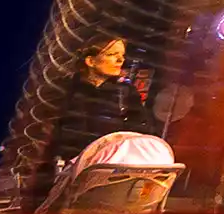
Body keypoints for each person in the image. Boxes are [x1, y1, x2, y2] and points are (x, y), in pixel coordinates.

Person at [45, 36, 151, 180]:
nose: (121, 60)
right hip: (67, 168)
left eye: (122, 55)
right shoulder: (64, 90)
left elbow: (142, 129)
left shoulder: (126, 92)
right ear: (90, 61)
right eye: (112, 55)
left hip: (111, 167)